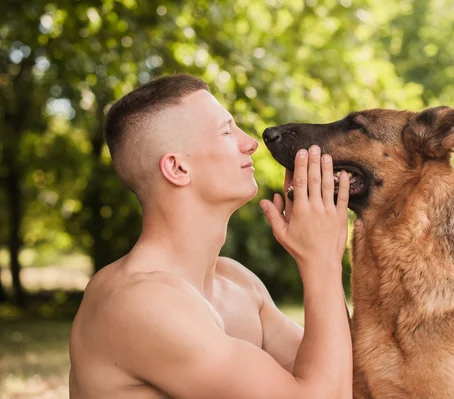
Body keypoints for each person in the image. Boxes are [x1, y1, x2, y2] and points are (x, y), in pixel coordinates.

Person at [68, 74, 353, 399]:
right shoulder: (139, 303)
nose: (251, 142)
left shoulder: (237, 283)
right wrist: (321, 262)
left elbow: (344, 374)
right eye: (227, 132)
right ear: (177, 169)